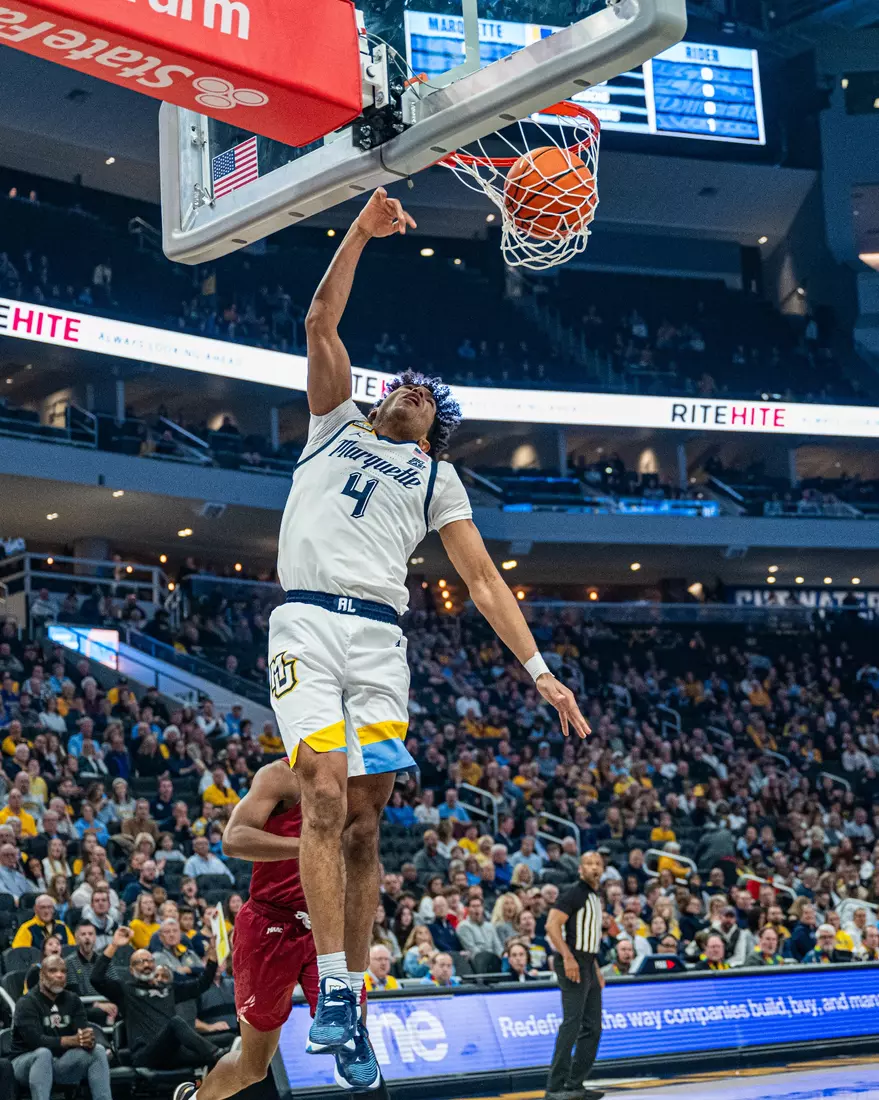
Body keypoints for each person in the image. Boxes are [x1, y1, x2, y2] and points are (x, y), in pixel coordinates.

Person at [268, 187, 591, 1063]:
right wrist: (360, 234)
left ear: (432, 432)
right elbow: (318, 322)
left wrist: (539, 672)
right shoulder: (332, 426)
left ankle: (352, 1000)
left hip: (380, 640)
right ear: (380, 403)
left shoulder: (435, 479)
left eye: (425, 395)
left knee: (368, 822)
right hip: (303, 626)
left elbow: (482, 580)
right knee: (325, 793)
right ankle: (332, 983)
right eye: (402, 384)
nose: (410, 389)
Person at [172, 758, 375, 1100]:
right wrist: (310, 850)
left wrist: (359, 935)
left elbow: (359, 865)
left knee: (356, 1042)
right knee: (253, 1068)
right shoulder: (281, 775)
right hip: (270, 925)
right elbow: (233, 839)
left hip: (326, 931)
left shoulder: (361, 779)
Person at [90, 927, 221, 1072]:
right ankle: (218, 1054)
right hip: (145, 1055)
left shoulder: (169, 988)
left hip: (172, 1052)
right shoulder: (125, 990)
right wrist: (114, 945)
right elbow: (96, 978)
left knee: (224, 1042)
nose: (146, 964)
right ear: (131, 970)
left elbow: (201, 984)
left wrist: (212, 954)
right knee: (177, 1023)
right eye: (140, 962)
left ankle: (225, 1058)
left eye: (149, 960)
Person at [543, 851, 606, 1100]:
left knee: (593, 1027)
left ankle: (574, 1084)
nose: (594, 868)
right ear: (581, 869)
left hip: (588, 963)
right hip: (573, 961)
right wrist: (568, 958)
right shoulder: (574, 893)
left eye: (598, 864)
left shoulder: (594, 896)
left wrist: (596, 968)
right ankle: (555, 1087)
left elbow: (590, 937)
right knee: (572, 1023)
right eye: (589, 864)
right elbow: (551, 925)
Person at [11, 953, 112, 1100]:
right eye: (53, 971)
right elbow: (35, 1041)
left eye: (63, 971)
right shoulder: (26, 1003)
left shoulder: (73, 1000)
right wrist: (72, 1041)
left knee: (98, 1051)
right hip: (25, 1063)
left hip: (60, 1062)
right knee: (43, 1054)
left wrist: (88, 1040)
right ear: (41, 975)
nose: (60, 975)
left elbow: (82, 1034)